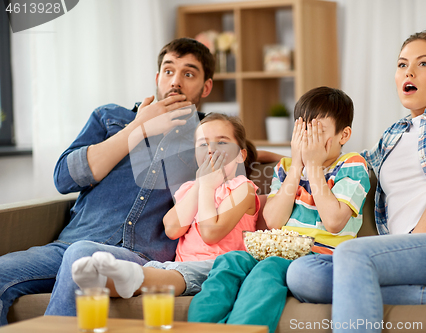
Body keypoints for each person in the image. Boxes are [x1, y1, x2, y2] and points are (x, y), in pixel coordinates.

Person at [0, 38, 278, 325]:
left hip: (142, 257)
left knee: (82, 256)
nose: (176, 82)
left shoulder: (205, 136)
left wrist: (296, 161)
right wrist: (138, 128)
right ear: (157, 78)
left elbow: (244, 154)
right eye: (169, 71)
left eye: (189, 74)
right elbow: (64, 178)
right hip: (72, 242)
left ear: (206, 86)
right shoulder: (111, 118)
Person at [287, 31, 426, 332]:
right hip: (403, 251)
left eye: (423, 64)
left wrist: (403, 248)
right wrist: (277, 155)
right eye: (402, 65)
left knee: (351, 255)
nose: (408, 72)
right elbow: (345, 160)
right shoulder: (393, 134)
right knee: (303, 273)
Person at [187, 87, 370, 333]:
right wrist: (296, 167)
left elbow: (335, 222)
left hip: (323, 258)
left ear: (343, 134)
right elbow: (273, 221)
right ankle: (200, 329)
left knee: (269, 268)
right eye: (304, 131)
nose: (309, 141)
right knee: (229, 262)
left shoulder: (352, 165)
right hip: (281, 251)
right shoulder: (285, 168)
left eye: (318, 133)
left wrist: (314, 168)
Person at [70, 113, 260, 299]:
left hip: (221, 268)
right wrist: (201, 184)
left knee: (172, 274)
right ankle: (109, 278)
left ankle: (124, 277)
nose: (211, 149)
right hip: (181, 266)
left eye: (222, 142)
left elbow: (210, 234)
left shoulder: (243, 189)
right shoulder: (191, 188)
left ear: (240, 155)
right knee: (158, 268)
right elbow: (172, 228)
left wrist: (208, 186)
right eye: (203, 144)